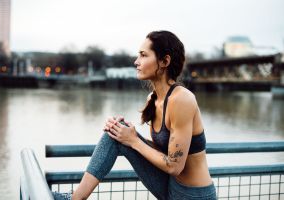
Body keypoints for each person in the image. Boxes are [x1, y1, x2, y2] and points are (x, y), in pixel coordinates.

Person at [53, 30, 216, 200]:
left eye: (143, 55)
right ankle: (75, 198)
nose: (136, 61)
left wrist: (134, 140)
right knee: (116, 132)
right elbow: (164, 150)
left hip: (195, 195)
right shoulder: (152, 99)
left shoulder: (182, 99)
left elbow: (174, 166)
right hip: (169, 187)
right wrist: (125, 134)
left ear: (165, 61)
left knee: (124, 136)